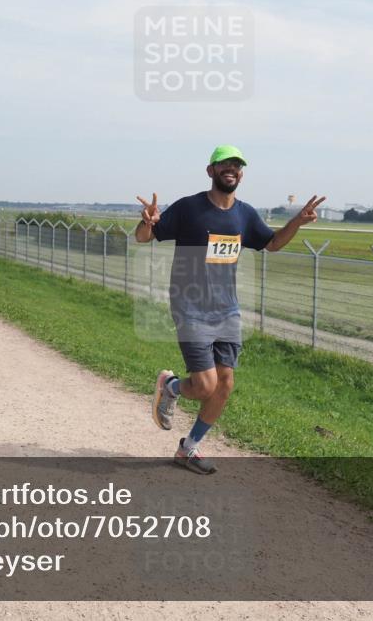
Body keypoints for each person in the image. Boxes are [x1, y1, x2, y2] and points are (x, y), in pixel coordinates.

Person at [137, 145, 324, 474]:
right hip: (190, 306)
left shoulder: (245, 214)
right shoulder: (189, 208)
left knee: (224, 385)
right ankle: (172, 387)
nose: (231, 169)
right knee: (205, 385)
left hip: (227, 310)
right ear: (210, 171)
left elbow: (273, 243)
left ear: (241, 174)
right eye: (225, 164)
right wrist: (148, 223)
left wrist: (297, 221)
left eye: (237, 165)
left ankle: (189, 448)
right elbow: (143, 238)